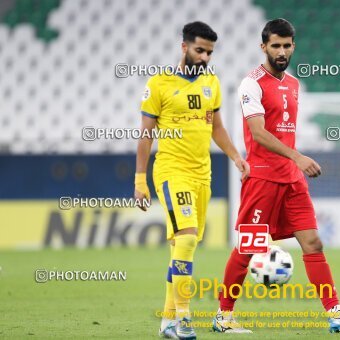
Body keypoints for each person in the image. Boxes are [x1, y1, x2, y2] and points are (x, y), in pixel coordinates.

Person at [212, 18, 340, 334]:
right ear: (264, 47)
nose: (282, 51)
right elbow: (258, 133)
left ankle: (336, 313)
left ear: (293, 46)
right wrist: (297, 156)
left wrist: (294, 163)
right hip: (262, 178)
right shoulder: (251, 83)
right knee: (247, 247)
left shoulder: (294, 83)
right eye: (276, 45)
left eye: (287, 45)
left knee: (313, 242)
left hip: (291, 179)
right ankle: (223, 315)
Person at [134, 21, 249, 340]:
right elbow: (146, 134)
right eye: (200, 50)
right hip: (172, 171)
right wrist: (140, 179)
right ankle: (184, 317)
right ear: (184, 47)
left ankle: (168, 322)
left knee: (182, 247)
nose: (205, 57)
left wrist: (236, 157)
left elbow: (217, 128)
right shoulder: (159, 83)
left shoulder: (211, 81)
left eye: (210, 52)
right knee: (185, 239)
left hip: (203, 175)